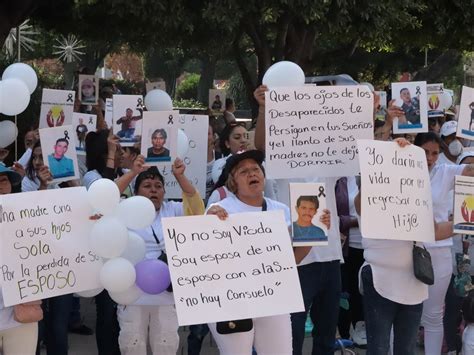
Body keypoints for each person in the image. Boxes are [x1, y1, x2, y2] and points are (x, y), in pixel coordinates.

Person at [206, 150, 329, 354]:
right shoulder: (220, 210)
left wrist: (314, 232)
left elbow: (292, 260)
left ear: (263, 176)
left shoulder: (282, 210)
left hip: (273, 299)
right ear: (233, 182)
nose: (252, 174)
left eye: (256, 169)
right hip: (234, 301)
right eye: (243, 171)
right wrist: (207, 224)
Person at [254, 84, 342, 355]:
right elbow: (262, 145)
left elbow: (358, 146)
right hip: (297, 261)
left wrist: (377, 117)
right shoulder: (280, 163)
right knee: (291, 335)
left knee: (326, 334)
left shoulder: (330, 160)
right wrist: (264, 108)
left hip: (331, 259)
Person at [117, 161, 204, 355]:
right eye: (147, 186)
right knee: (132, 345)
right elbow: (107, 197)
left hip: (167, 294)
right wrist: (133, 172)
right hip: (131, 294)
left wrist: (180, 176)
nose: (153, 191)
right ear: (137, 191)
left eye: (158, 186)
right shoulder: (124, 208)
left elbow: (196, 206)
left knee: (166, 345)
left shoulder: (173, 209)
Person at [83, 129, 147, 355]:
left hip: (127, 248)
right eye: (116, 149)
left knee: (125, 311)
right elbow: (106, 195)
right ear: (104, 153)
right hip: (105, 251)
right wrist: (113, 153)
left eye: (120, 150)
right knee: (107, 311)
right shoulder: (91, 176)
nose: (121, 153)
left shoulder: (125, 172)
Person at [414, 132, 474, 355]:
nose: (430, 158)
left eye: (435, 153)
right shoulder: (398, 169)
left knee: (433, 315)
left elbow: (469, 172)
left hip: (439, 251)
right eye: (425, 152)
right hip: (405, 249)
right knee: (402, 311)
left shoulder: (445, 172)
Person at [0, 164, 39, 355]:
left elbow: (61, 229)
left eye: (4, 180)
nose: (0, 186)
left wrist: (85, 220)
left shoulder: (28, 218)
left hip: (21, 316)